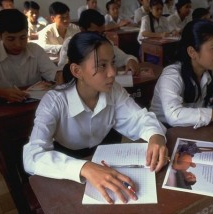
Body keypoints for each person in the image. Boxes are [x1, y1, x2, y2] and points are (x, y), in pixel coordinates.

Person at [23, 31, 168, 204]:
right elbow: (32, 157)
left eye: (113, 63)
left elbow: (139, 118)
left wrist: (156, 137)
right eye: (102, 66)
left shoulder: (113, 90)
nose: (113, 72)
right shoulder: (54, 102)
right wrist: (84, 167)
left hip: (106, 157)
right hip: (69, 165)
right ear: (77, 70)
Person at [0, 9, 61, 103]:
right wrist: (3, 93)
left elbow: (53, 73)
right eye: (11, 39)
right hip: (1, 107)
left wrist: (60, 77)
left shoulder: (35, 50)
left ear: (27, 32)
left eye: (23, 38)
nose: (18, 44)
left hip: (34, 105)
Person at [58, 9, 140, 75]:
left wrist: (131, 60)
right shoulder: (70, 44)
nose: (99, 36)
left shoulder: (104, 42)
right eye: (95, 33)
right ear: (82, 29)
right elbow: (62, 70)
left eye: (102, 32)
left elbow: (124, 57)